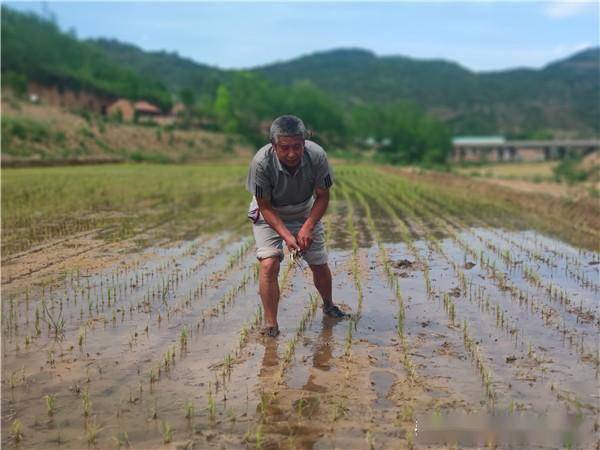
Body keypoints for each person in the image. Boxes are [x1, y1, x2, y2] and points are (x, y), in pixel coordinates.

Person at [246, 115, 348, 337]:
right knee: (269, 264)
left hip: (304, 209)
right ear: (273, 146)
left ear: (305, 141)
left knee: (319, 263)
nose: (291, 154)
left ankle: (329, 305)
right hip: (269, 211)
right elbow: (264, 206)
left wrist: (307, 226)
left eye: (297, 147)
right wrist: (285, 235)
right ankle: (271, 324)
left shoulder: (317, 156)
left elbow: (322, 196)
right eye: (284, 148)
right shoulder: (261, 163)